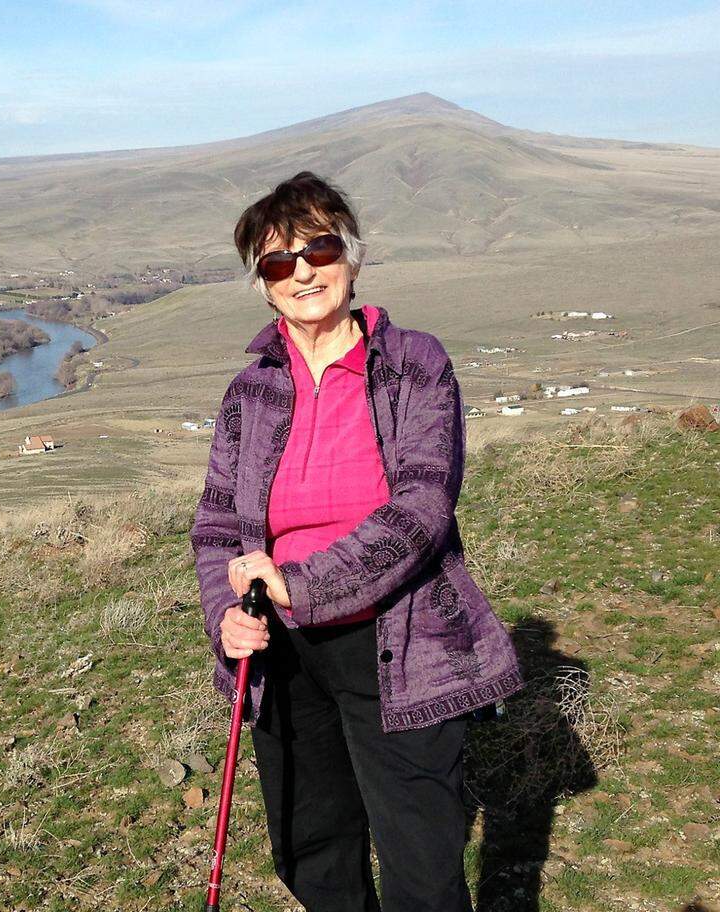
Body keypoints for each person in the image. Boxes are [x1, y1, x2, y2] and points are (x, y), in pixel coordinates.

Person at [190, 171, 524, 912]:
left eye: (319, 247)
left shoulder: (414, 364)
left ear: (353, 256)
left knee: (422, 862)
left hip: (399, 639)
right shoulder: (249, 392)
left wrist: (302, 583)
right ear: (263, 285)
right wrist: (226, 614)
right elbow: (216, 524)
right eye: (278, 261)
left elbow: (421, 509)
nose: (302, 270)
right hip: (281, 649)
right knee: (312, 851)